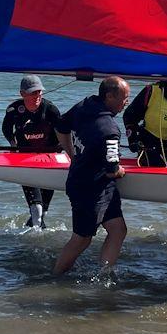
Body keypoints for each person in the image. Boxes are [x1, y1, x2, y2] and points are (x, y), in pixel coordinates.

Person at [52, 76, 131, 275]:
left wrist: (72, 154)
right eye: (124, 98)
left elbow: (61, 126)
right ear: (110, 96)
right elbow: (113, 170)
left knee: (118, 230)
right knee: (82, 239)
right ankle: (55, 276)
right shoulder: (110, 130)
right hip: (89, 189)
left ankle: (104, 276)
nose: (126, 103)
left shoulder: (85, 105)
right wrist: (120, 170)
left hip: (97, 186)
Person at [123, 76, 167, 238]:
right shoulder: (150, 91)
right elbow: (129, 117)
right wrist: (134, 140)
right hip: (149, 147)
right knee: (156, 161)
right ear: (166, 81)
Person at [2, 74, 62, 229]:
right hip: (25, 160)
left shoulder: (51, 110)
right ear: (22, 94)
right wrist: (13, 144)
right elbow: (6, 128)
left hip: (49, 160)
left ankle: (32, 234)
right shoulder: (14, 110)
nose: (37, 96)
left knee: (44, 210)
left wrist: (67, 154)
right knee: (37, 208)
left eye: (39, 92)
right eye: (33, 92)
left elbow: (64, 133)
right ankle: (35, 241)